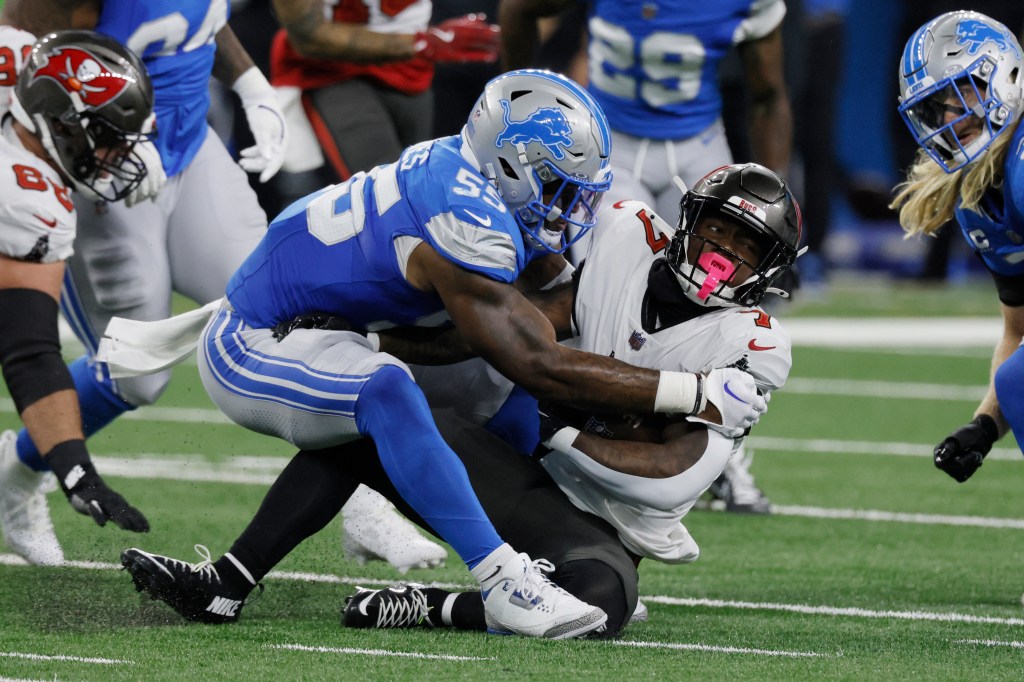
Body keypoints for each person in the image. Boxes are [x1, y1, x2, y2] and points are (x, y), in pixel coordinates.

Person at [105, 69, 767, 639]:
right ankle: (506, 580)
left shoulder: (481, 185)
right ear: (510, 165)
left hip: (335, 329)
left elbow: (529, 317)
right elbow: (533, 356)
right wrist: (692, 392)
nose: (573, 209)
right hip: (257, 341)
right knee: (388, 391)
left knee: (473, 383)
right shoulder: (467, 215)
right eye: (562, 187)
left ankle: (226, 583)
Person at [0, 0, 444, 576]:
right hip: (100, 165)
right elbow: (29, 70)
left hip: (189, 144)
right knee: (138, 373)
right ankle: (17, 468)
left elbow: (199, 16)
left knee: (291, 306)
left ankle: (360, 503)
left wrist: (248, 80)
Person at [500, 0, 792, 515]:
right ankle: (577, 421)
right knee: (601, 297)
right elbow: (519, 10)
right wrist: (515, 101)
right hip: (613, 142)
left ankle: (724, 460)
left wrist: (776, 201)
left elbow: (768, 94)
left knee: (724, 306)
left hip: (702, 146)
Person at [0, 30, 155, 565]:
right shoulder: (22, 197)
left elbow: (30, 351)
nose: (117, 155)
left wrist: (74, 469)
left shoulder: (21, 55)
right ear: (60, 123)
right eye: (110, 138)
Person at [891, 10, 1024, 481]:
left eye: (962, 91)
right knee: (1015, 381)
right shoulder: (976, 199)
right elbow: (1016, 331)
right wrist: (985, 425)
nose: (951, 115)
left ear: (1004, 76)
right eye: (941, 103)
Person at [268, 0, 501, 209]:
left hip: (413, 71)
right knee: (390, 196)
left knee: (423, 187)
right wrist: (422, 43)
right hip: (333, 72)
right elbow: (306, 35)